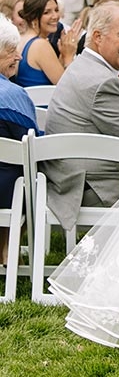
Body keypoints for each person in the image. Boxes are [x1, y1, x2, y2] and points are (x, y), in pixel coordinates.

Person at [42, 2, 119, 231]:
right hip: (90, 189)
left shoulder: (82, 66)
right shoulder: (102, 82)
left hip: (70, 178)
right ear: (97, 36)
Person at [0, 17, 40, 264]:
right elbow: (35, 146)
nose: (20, 57)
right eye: (11, 50)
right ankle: (6, 252)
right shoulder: (12, 96)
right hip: (6, 195)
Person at [15, 0, 81, 87]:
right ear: (33, 17)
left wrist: (63, 55)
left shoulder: (22, 38)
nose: (55, 16)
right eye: (47, 12)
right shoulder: (40, 45)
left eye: (56, 10)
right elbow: (67, 88)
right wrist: (69, 56)